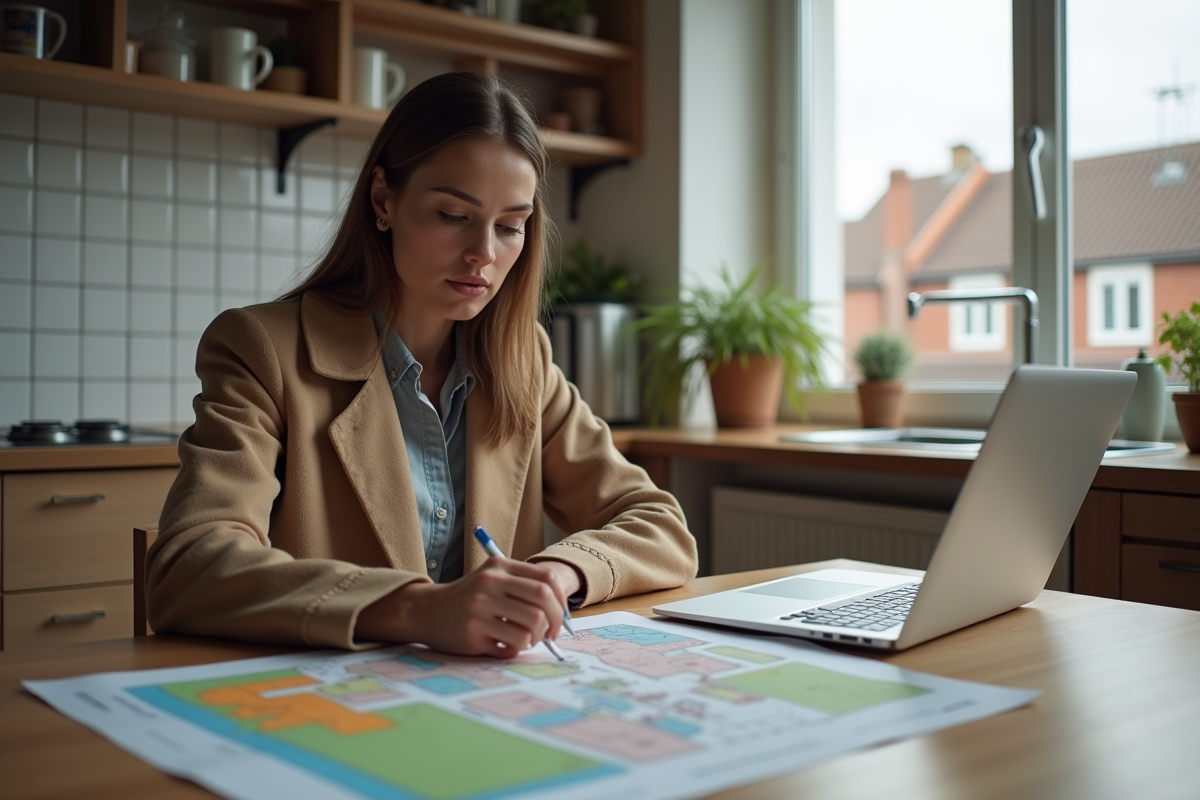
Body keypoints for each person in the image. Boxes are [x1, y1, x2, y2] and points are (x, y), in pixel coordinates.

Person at [146, 71, 697, 657]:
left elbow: (660, 526)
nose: (483, 253)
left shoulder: (523, 359)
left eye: (511, 226)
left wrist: (559, 575)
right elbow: (189, 567)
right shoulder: (263, 349)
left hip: (482, 699)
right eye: (453, 215)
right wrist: (416, 607)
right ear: (384, 199)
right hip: (333, 708)